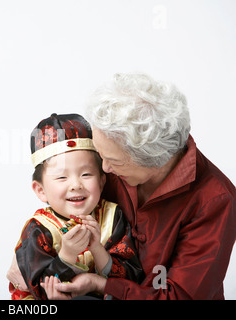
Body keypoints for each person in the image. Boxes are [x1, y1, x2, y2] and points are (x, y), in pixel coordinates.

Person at [42, 73, 236, 300]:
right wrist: (28, 256)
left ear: (153, 159)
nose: (103, 169)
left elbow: (180, 296)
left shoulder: (216, 200)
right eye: (100, 154)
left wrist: (103, 285)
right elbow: (64, 200)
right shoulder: (114, 148)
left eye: (113, 161)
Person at [7, 113, 143, 300]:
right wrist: (67, 255)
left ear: (103, 181)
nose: (76, 185)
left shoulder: (112, 216)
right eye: (62, 177)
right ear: (40, 190)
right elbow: (36, 286)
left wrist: (97, 248)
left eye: (86, 174)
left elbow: (133, 277)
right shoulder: (38, 229)